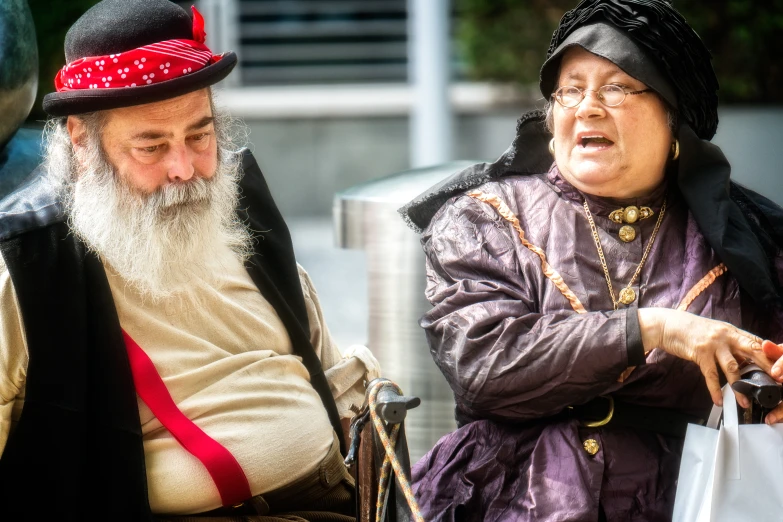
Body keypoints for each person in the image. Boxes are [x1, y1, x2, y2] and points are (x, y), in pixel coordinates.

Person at [399, 0, 783, 520]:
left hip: (693, 496)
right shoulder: (486, 219)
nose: (587, 107)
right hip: (513, 494)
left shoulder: (748, 236)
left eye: (616, 88)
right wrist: (650, 328)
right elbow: (483, 364)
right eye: (571, 90)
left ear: (675, 119)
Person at [0, 1, 379, 520]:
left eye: (199, 136)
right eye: (151, 146)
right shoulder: (27, 261)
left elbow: (326, 364)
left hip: (336, 500)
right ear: (83, 143)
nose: (185, 169)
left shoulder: (237, 209)